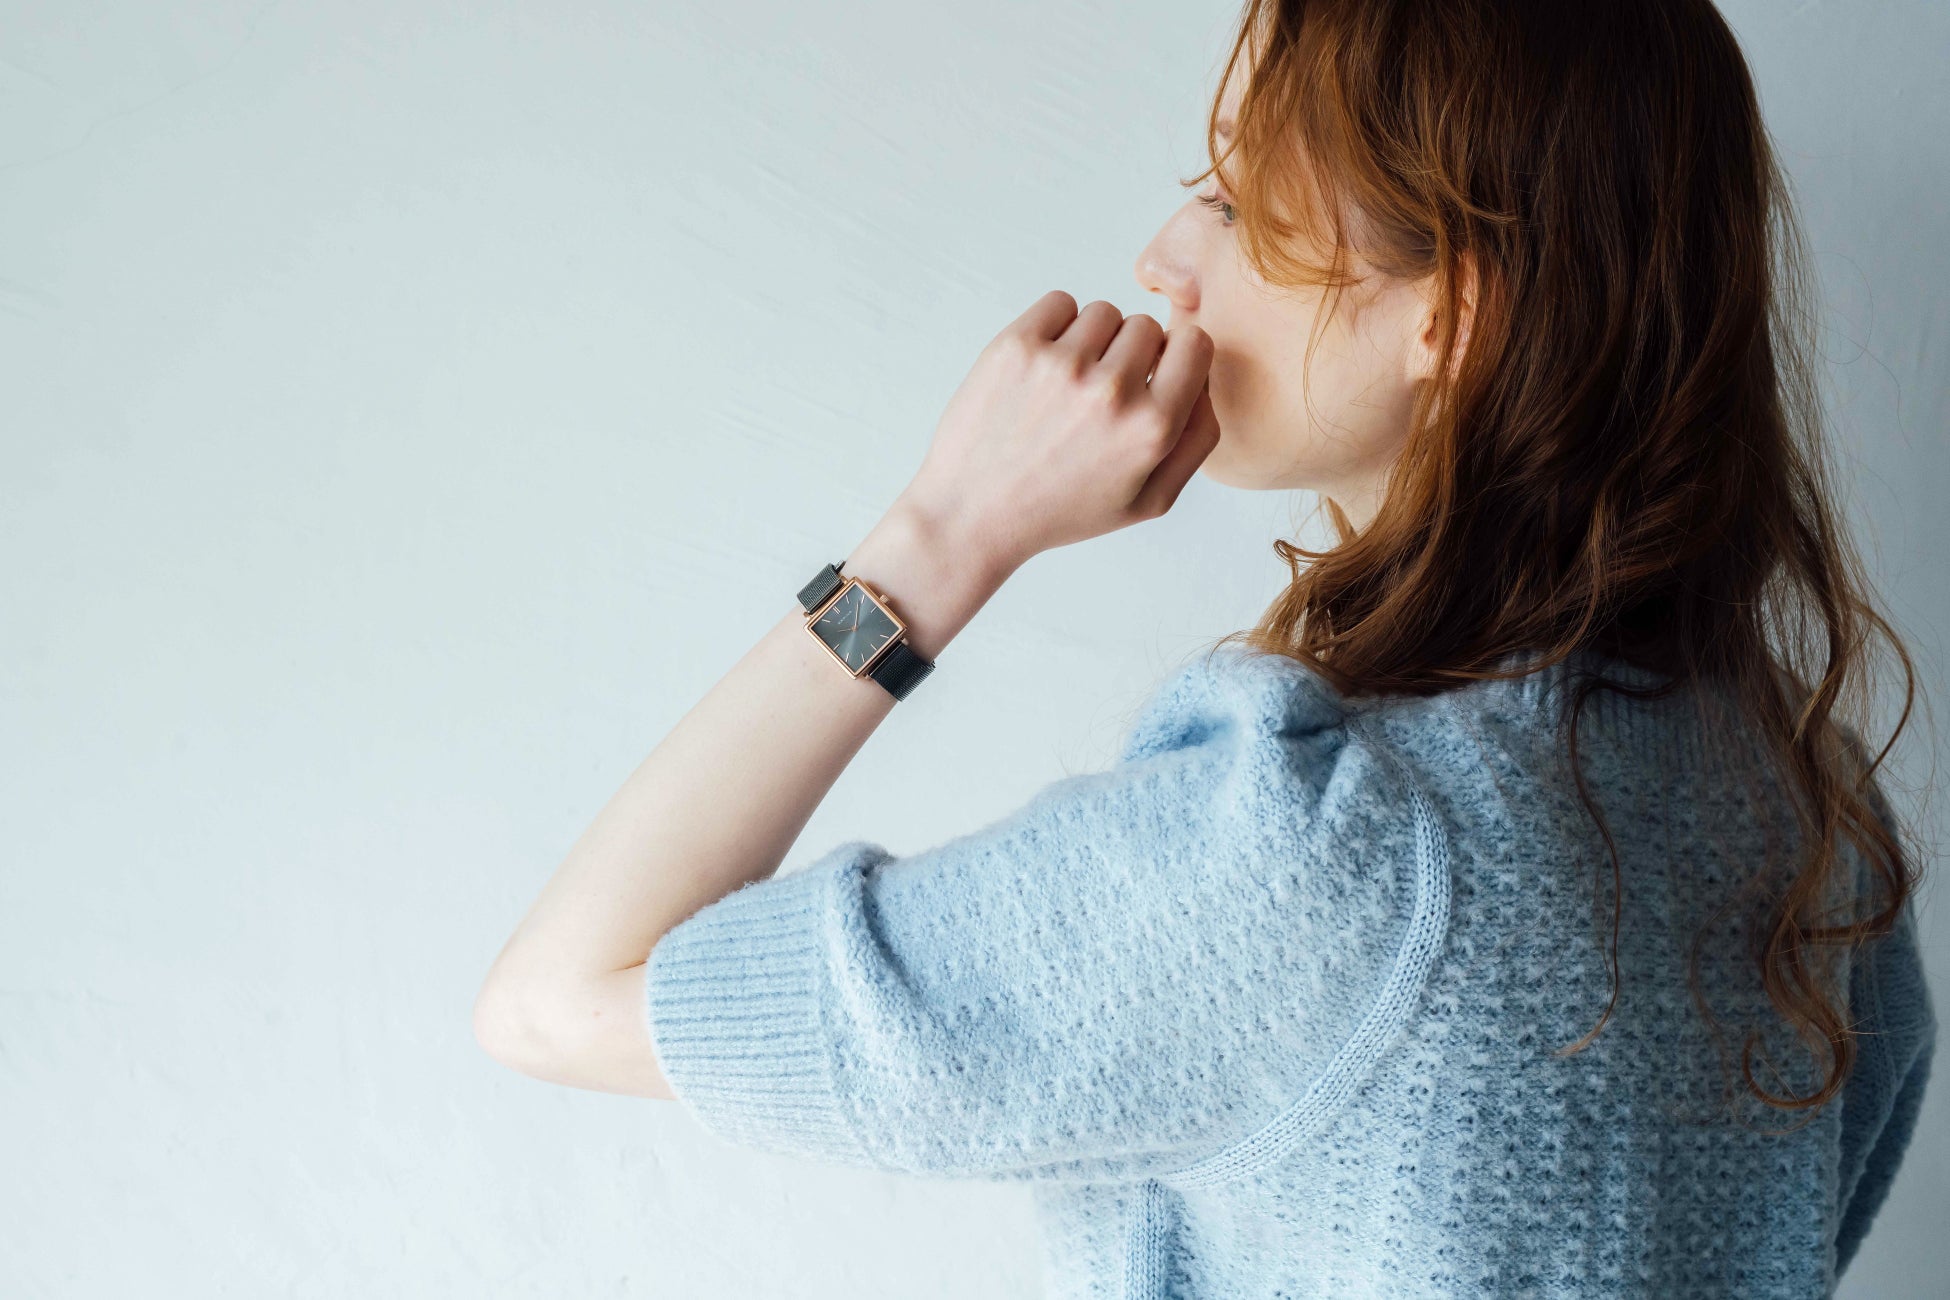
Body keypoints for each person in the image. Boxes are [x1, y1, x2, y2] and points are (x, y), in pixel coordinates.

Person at [471, 0, 1937, 1294]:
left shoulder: (1324, 858)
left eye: (1235, 205)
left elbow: (559, 999)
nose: (1164, 257)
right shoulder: (1813, 821)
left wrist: (940, 537)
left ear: (1452, 313)